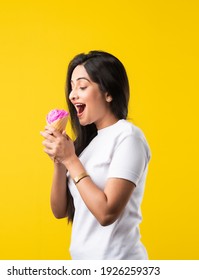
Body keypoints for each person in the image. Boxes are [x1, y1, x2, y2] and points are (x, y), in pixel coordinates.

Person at [40, 50, 151, 260]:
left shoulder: (128, 137)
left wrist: (71, 160)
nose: (72, 95)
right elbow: (59, 210)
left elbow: (106, 213)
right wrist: (60, 162)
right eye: (72, 88)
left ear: (108, 93)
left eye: (82, 86)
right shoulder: (89, 145)